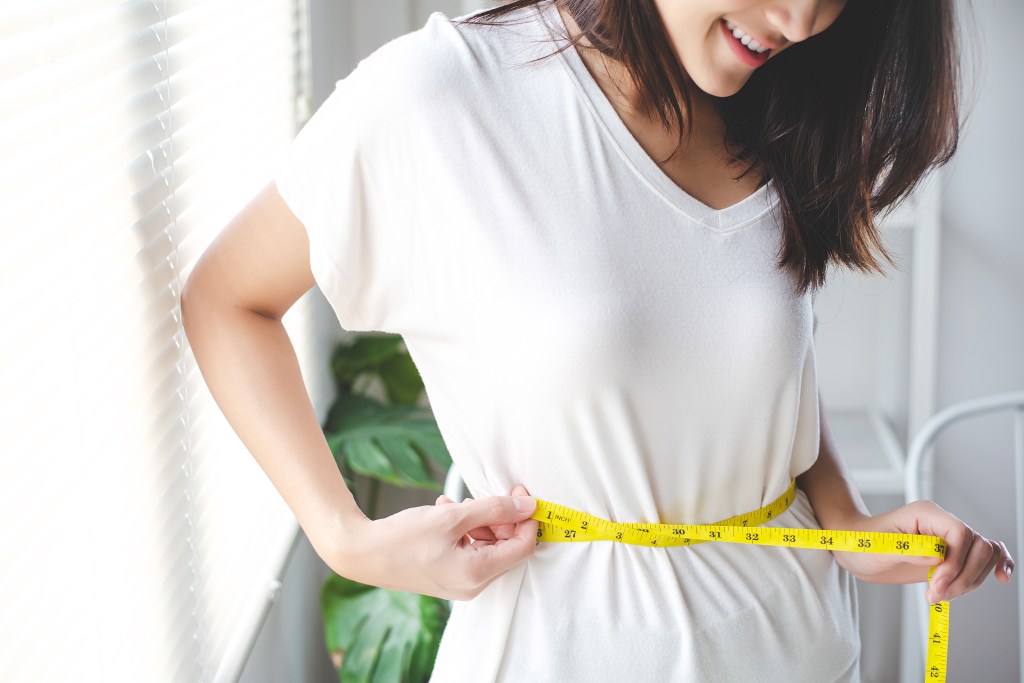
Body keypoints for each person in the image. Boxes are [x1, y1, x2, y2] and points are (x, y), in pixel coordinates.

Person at [181, 0, 1015, 679]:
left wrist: (848, 523)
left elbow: (759, 364)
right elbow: (225, 298)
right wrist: (346, 538)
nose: (800, 19)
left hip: (800, 646)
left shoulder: (783, 107)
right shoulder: (442, 98)